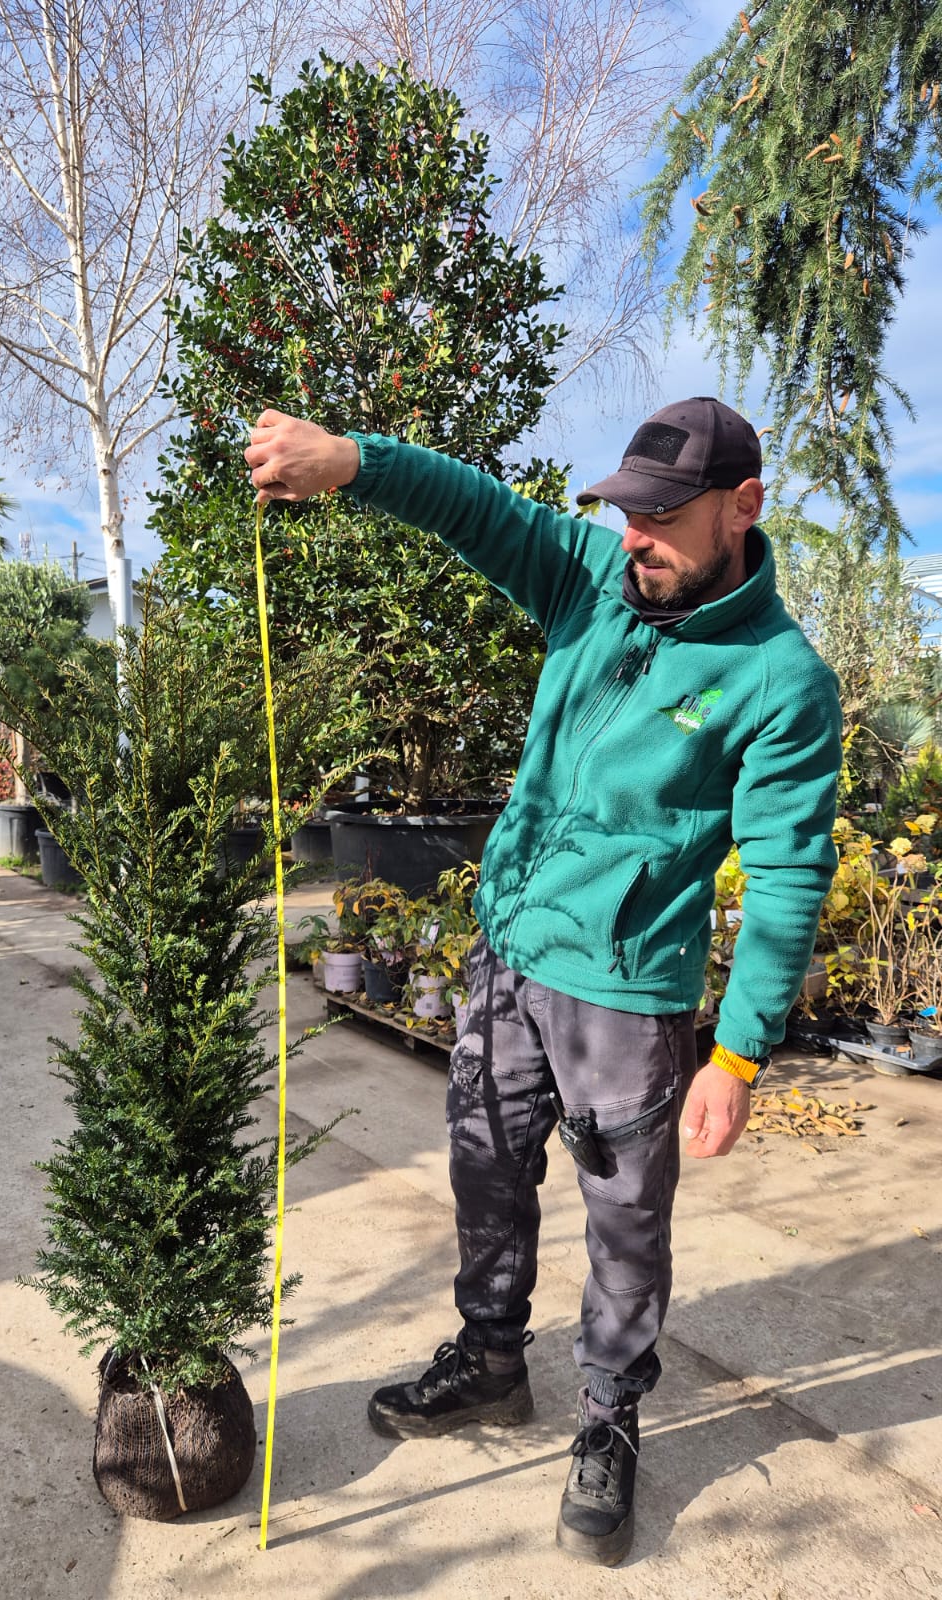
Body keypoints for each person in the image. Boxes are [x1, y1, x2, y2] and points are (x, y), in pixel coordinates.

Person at [244, 398, 843, 1566]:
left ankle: (610, 1417)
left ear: (744, 507)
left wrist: (737, 1054)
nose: (636, 538)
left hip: (627, 994)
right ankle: (490, 1360)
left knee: (625, 1222)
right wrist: (351, 461)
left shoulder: (782, 682)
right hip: (507, 957)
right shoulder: (587, 577)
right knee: (484, 1170)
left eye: (664, 518)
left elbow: (785, 878)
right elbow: (471, 506)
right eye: (627, 513)